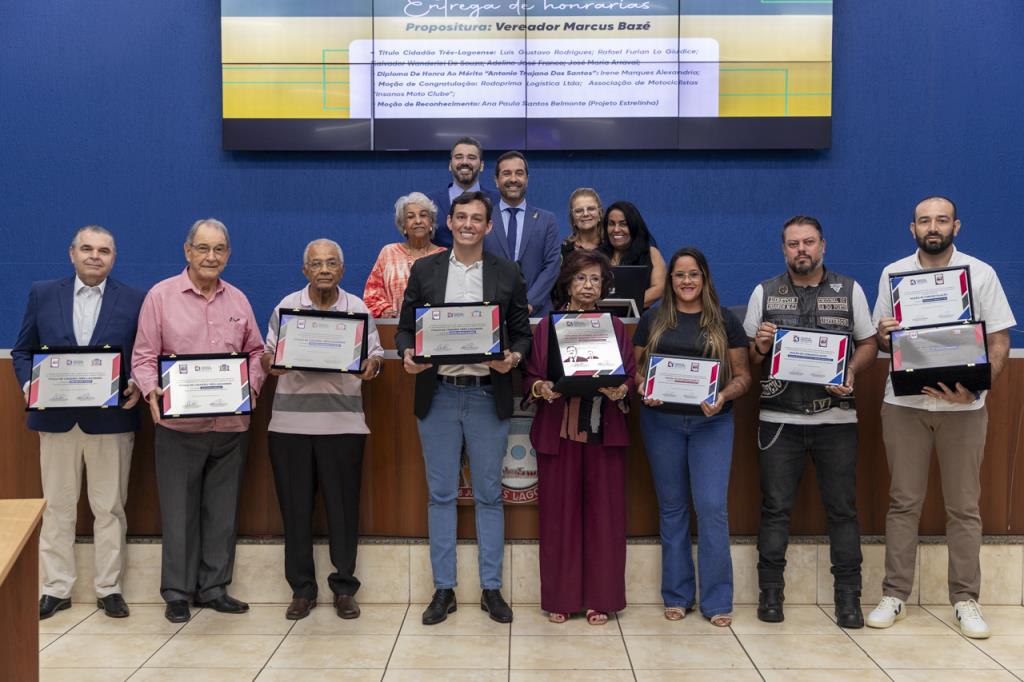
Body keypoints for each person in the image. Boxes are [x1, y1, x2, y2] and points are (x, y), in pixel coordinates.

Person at [867, 196, 1014, 638]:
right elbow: (883, 341)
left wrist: (977, 388)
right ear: (912, 228)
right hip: (904, 405)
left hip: (964, 407)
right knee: (903, 503)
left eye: (942, 220)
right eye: (925, 220)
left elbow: (1000, 341)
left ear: (956, 226)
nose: (933, 227)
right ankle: (895, 594)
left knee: (964, 507)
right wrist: (883, 334)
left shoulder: (981, 274)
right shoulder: (893, 274)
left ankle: (966, 600)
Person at [395, 191, 532, 625]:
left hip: (487, 394)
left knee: (490, 495)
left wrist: (513, 358)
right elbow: (404, 329)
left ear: (488, 226)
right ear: (450, 223)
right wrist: (406, 354)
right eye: (461, 217)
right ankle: (444, 590)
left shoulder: (507, 271)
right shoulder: (425, 270)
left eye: (477, 218)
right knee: (440, 495)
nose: (468, 224)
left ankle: (491, 589)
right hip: (438, 394)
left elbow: (522, 333)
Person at [743, 215, 878, 629]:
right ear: (783, 249)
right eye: (793, 243)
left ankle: (849, 597)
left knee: (842, 510)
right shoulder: (764, 292)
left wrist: (850, 370)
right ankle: (770, 594)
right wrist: (761, 345)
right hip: (778, 419)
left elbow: (869, 343)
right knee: (775, 509)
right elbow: (751, 355)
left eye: (808, 242)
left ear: (823, 245)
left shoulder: (849, 289)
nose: (801, 250)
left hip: (836, 419)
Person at [132, 218, 266, 624]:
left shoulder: (238, 300)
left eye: (219, 249)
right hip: (179, 429)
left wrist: (252, 387)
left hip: (229, 428)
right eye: (203, 248)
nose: (211, 256)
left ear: (228, 254)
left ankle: (214, 588)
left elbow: (256, 351)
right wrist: (150, 389)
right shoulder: (160, 296)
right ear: (187, 251)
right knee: (178, 513)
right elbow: (143, 356)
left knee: (222, 513)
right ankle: (177, 592)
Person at [12, 225, 145, 620]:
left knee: (110, 508)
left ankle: (110, 589)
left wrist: (139, 383)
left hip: (111, 421)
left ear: (114, 258)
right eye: (87, 248)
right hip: (56, 420)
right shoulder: (42, 293)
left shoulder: (135, 299)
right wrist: (30, 386)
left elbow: (143, 353)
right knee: (57, 507)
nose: (94, 256)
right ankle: (56, 588)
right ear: (72, 253)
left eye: (103, 250)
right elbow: (22, 351)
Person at [262, 239, 385, 621]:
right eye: (316, 264)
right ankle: (302, 590)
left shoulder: (357, 308)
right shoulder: (286, 307)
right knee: (295, 510)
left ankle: (344, 588)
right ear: (305, 270)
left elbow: (376, 355)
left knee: (343, 511)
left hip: (343, 424)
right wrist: (270, 363)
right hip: (290, 426)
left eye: (331, 263)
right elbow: (267, 354)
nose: (324, 269)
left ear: (342, 270)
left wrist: (372, 367)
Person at [633, 247, 751, 626]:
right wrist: (643, 387)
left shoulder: (725, 321)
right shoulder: (652, 320)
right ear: (670, 280)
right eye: (680, 274)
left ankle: (716, 601)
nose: (687, 281)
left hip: (711, 424)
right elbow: (637, 371)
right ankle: (677, 595)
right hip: (661, 422)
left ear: (704, 278)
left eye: (693, 274)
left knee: (712, 507)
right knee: (672, 509)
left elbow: (743, 377)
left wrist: (723, 396)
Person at [524, 250, 635, 625]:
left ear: (604, 286)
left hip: (604, 432)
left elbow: (629, 374)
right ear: (568, 283)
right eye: (581, 278)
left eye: (596, 279)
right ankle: (562, 597)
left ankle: (600, 599)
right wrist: (541, 387)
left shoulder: (614, 326)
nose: (588, 286)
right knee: (560, 518)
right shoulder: (547, 327)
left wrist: (623, 389)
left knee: (605, 519)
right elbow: (532, 376)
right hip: (560, 433)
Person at [484, 150, 561, 318]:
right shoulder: (483, 219)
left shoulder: (547, 220)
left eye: (519, 173)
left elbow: (552, 266)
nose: (513, 179)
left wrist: (529, 302)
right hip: (493, 314)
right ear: (496, 181)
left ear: (527, 179)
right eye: (506, 173)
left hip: (537, 313)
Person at [363, 192, 447, 318]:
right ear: (403, 225)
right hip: (396, 327)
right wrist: (385, 310)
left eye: (423, 215)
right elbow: (371, 296)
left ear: (431, 222)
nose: (418, 221)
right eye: (410, 217)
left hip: (435, 326)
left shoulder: (444, 255)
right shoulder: (389, 253)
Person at [426, 136, 500, 248]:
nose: (465, 162)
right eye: (459, 157)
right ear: (450, 165)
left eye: (471, 157)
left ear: (482, 166)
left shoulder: (498, 201)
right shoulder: (430, 202)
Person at [599, 201, 666, 309]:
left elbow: (659, 289)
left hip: (638, 317)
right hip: (600, 317)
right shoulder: (595, 256)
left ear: (634, 226)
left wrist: (626, 306)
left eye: (623, 224)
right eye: (611, 224)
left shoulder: (651, 253)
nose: (616, 229)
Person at [560, 188, 604, 259]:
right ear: (572, 217)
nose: (585, 214)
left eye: (591, 209)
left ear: (600, 213)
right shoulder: (563, 251)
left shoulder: (611, 247)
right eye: (579, 211)